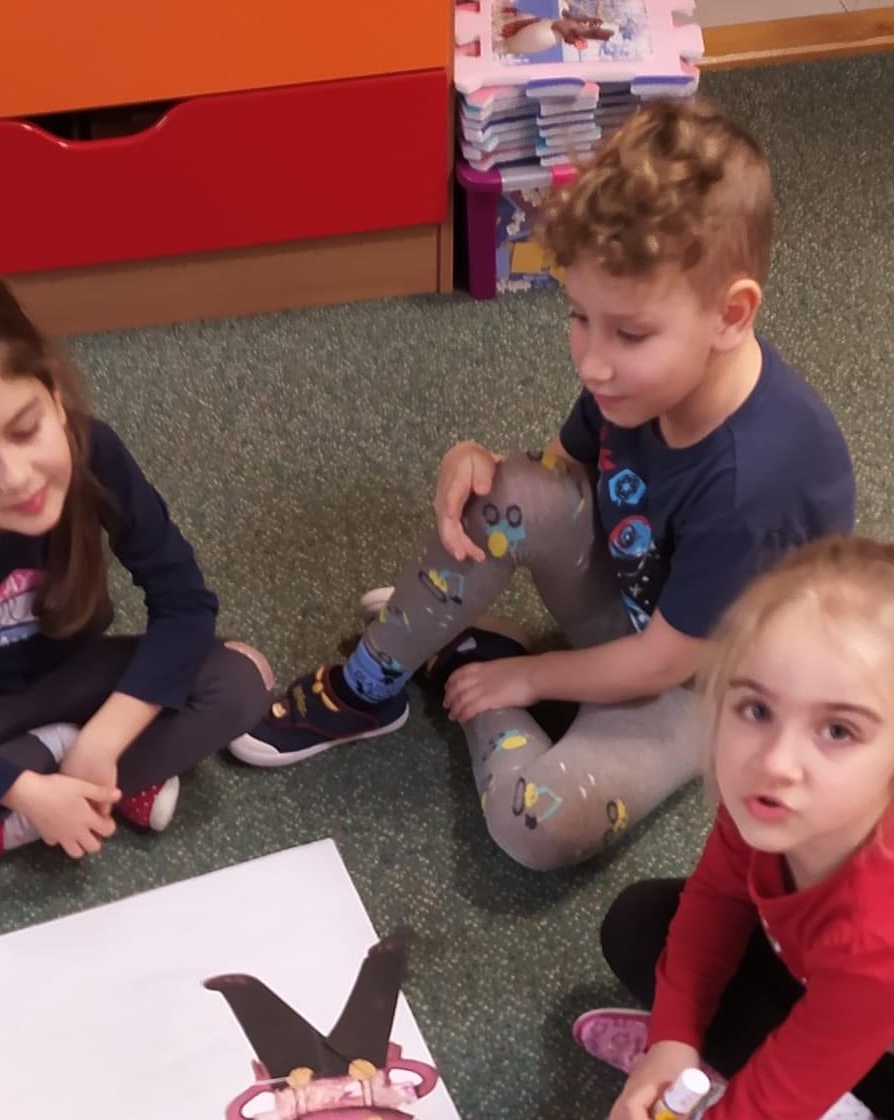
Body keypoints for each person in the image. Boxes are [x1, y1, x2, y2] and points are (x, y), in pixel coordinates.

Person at [230, 100, 855, 872]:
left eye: (629, 333)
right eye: (578, 316)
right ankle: (367, 686)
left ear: (729, 315)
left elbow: (663, 664)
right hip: (632, 606)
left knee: (538, 827)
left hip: (700, 685)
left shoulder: (754, 487)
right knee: (507, 491)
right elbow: (553, 479)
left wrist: (524, 677)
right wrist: (477, 464)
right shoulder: (631, 382)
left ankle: (468, 661)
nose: (591, 361)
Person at [510, 536, 894, 1120]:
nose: (774, 761)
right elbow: (712, 901)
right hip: (835, 990)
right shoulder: (775, 796)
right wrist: (672, 1039)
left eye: (838, 731)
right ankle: (735, 1073)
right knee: (640, 923)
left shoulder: (891, 926)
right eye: (754, 709)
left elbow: (766, 1116)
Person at [0, 263, 272, 891]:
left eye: (27, 429)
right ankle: (81, 792)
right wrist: (28, 791)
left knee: (244, 681)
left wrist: (104, 738)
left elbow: (184, 603)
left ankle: (47, 792)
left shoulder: (95, 452)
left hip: (75, 675)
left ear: (53, 390)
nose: (17, 478)